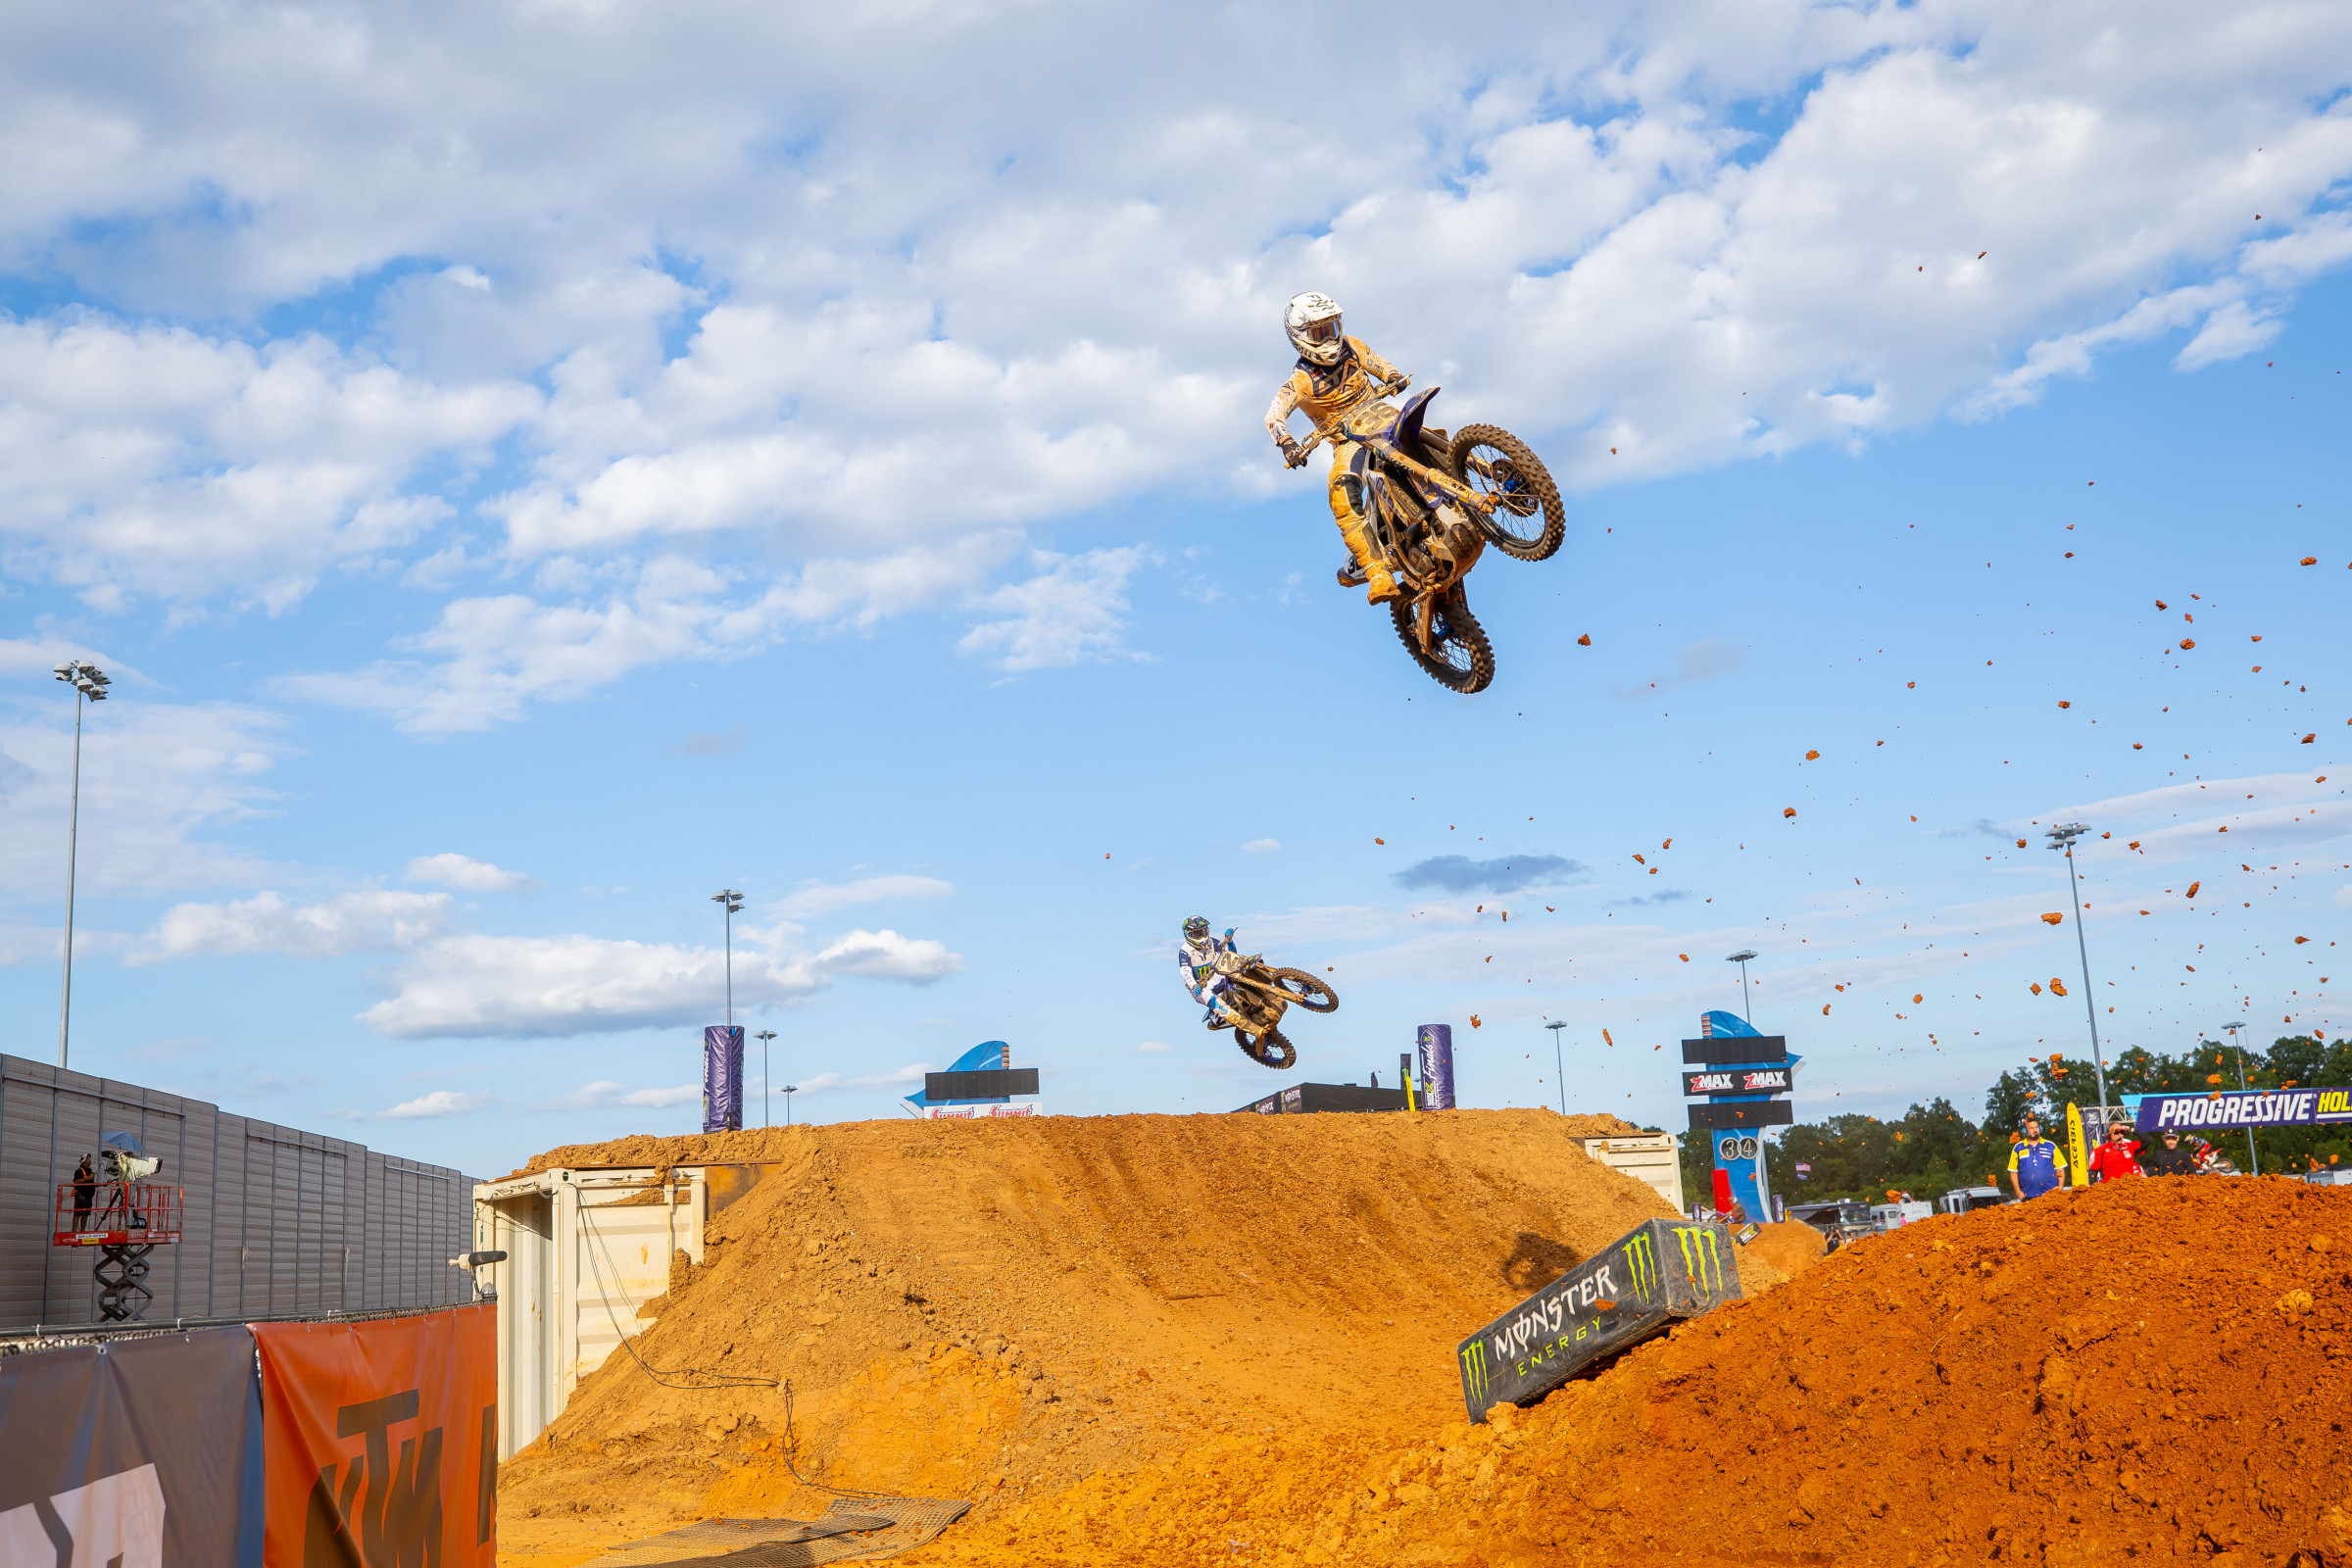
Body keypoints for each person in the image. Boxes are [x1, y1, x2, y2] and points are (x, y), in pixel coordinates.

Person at [1264, 292, 1411, 606]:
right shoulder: (1301, 380)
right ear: (1301, 337)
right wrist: (1288, 444)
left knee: (1430, 435)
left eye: (1332, 328)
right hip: (1349, 439)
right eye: (1319, 332)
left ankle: (1486, 468)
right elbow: (1274, 415)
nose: (1329, 337)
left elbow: (1377, 362)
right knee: (1343, 497)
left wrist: (1392, 376)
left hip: (1382, 418)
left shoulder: (1352, 345)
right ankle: (1378, 574)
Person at [1178, 916, 1243, 1026]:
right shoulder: (1185, 952)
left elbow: (1231, 955)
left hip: (1216, 976)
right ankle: (1228, 1014)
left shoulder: (1212, 942)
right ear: (1188, 934)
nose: (1202, 936)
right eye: (1198, 933)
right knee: (1204, 994)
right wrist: (1193, 985)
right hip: (1200, 986)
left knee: (1236, 968)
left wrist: (1230, 941)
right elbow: (1185, 972)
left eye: (1204, 931)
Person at [2007, 1115, 2068, 1200]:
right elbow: (2013, 1171)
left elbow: (2060, 1168)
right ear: (2025, 1131)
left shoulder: (2051, 1146)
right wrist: (2018, 1191)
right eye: (2031, 1128)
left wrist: (2060, 1188)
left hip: (2050, 1196)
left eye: (2036, 1127)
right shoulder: (2018, 1148)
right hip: (2027, 1196)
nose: (2035, 1130)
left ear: (2040, 1129)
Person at [71, 1154, 96, 1230]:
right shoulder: (79, 1171)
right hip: (81, 1196)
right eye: (88, 1158)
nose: (90, 1160)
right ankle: (74, 1230)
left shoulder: (90, 1171)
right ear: (84, 1161)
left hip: (89, 1197)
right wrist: (87, 1178)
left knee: (86, 1214)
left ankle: (83, 1230)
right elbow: (76, 1182)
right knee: (78, 1214)